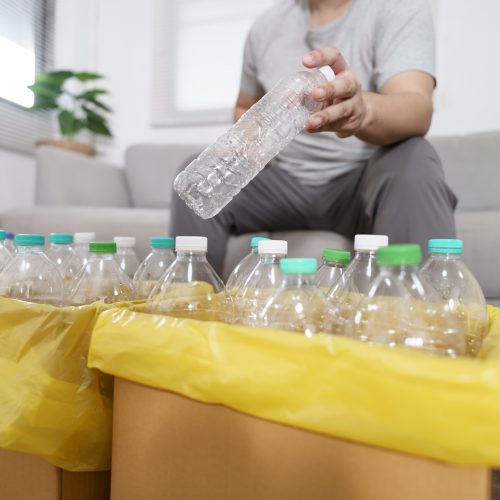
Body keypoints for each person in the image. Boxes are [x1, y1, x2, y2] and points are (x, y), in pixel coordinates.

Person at [171, 0, 457, 276]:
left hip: (357, 185)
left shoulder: (397, 8)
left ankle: (417, 313)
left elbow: (417, 108)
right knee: (196, 175)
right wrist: (253, 141)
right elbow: (244, 106)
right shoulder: (266, 26)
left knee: (415, 159)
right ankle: (188, 304)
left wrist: (362, 111)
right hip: (281, 186)